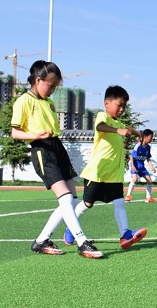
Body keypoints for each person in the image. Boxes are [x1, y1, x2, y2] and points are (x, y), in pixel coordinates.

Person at [11, 60, 102, 259]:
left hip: (57, 147)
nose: (52, 90)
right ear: (38, 80)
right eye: (50, 85)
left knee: (72, 200)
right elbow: (15, 132)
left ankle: (42, 240)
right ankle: (82, 242)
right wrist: (36, 135)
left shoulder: (49, 103)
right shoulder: (24, 101)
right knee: (66, 198)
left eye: (55, 87)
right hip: (41, 150)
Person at [64, 85, 147, 251]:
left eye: (124, 106)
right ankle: (71, 228)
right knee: (87, 203)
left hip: (114, 174)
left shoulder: (118, 123)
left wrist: (138, 134)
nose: (121, 109)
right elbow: (100, 127)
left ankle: (125, 234)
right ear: (107, 103)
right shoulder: (103, 117)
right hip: (97, 172)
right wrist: (118, 130)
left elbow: (128, 129)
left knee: (119, 203)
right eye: (119, 105)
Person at [125, 129, 157, 203]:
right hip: (134, 164)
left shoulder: (148, 147)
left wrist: (151, 167)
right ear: (145, 137)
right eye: (151, 137)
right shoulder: (138, 146)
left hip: (141, 166)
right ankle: (128, 196)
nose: (151, 139)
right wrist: (133, 166)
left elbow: (148, 158)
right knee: (135, 179)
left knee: (149, 181)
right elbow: (131, 156)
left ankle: (148, 198)